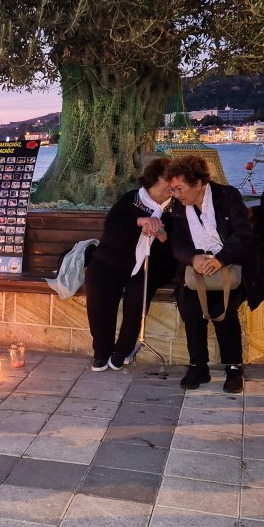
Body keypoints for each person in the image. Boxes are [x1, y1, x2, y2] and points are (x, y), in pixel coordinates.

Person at [166, 154, 264, 393]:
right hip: (199, 271)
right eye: (172, 189)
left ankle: (234, 366)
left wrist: (221, 259)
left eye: (179, 188)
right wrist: (193, 258)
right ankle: (198, 366)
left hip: (234, 268)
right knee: (190, 306)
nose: (176, 194)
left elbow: (243, 235)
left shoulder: (228, 196)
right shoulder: (179, 207)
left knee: (221, 310)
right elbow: (177, 243)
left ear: (199, 183)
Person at [84, 156, 176, 372]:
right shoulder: (132, 199)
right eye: (167, 179)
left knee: (137, 296)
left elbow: (175, 244)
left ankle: (123, 349)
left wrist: (160, 233)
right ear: (154, 179)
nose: (171, 185)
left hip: (151, 264)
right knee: (98, 289)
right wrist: (140, 222)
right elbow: (111, 229)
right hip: (112, 260)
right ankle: (102, 350)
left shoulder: (175, 207)